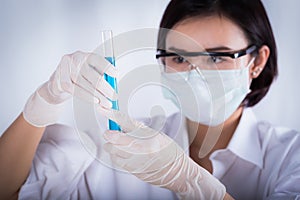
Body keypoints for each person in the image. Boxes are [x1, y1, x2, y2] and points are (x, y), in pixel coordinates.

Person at [0, 0, 299, 199]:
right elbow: (7, 189)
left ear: (257, 61)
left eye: (217, 57)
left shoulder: (289, 156)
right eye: (179, 57)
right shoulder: (123, 145)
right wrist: (44, 102)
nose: (196, 73)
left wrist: (191, 183)